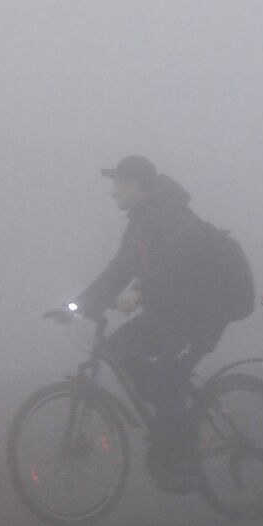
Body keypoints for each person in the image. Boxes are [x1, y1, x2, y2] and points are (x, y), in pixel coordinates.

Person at [74, 155, 228, 492]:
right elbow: (120, 268)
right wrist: (83, 304)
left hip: (198, 315)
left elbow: (179, 260)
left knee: (166, 383)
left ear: (136, 186)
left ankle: (184, 460)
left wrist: (141, 291)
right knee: (117, 350)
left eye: (118, 185)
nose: (113, 192)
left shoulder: (170, 213)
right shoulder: (140, 221)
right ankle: (168, 422)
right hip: (166, 313)